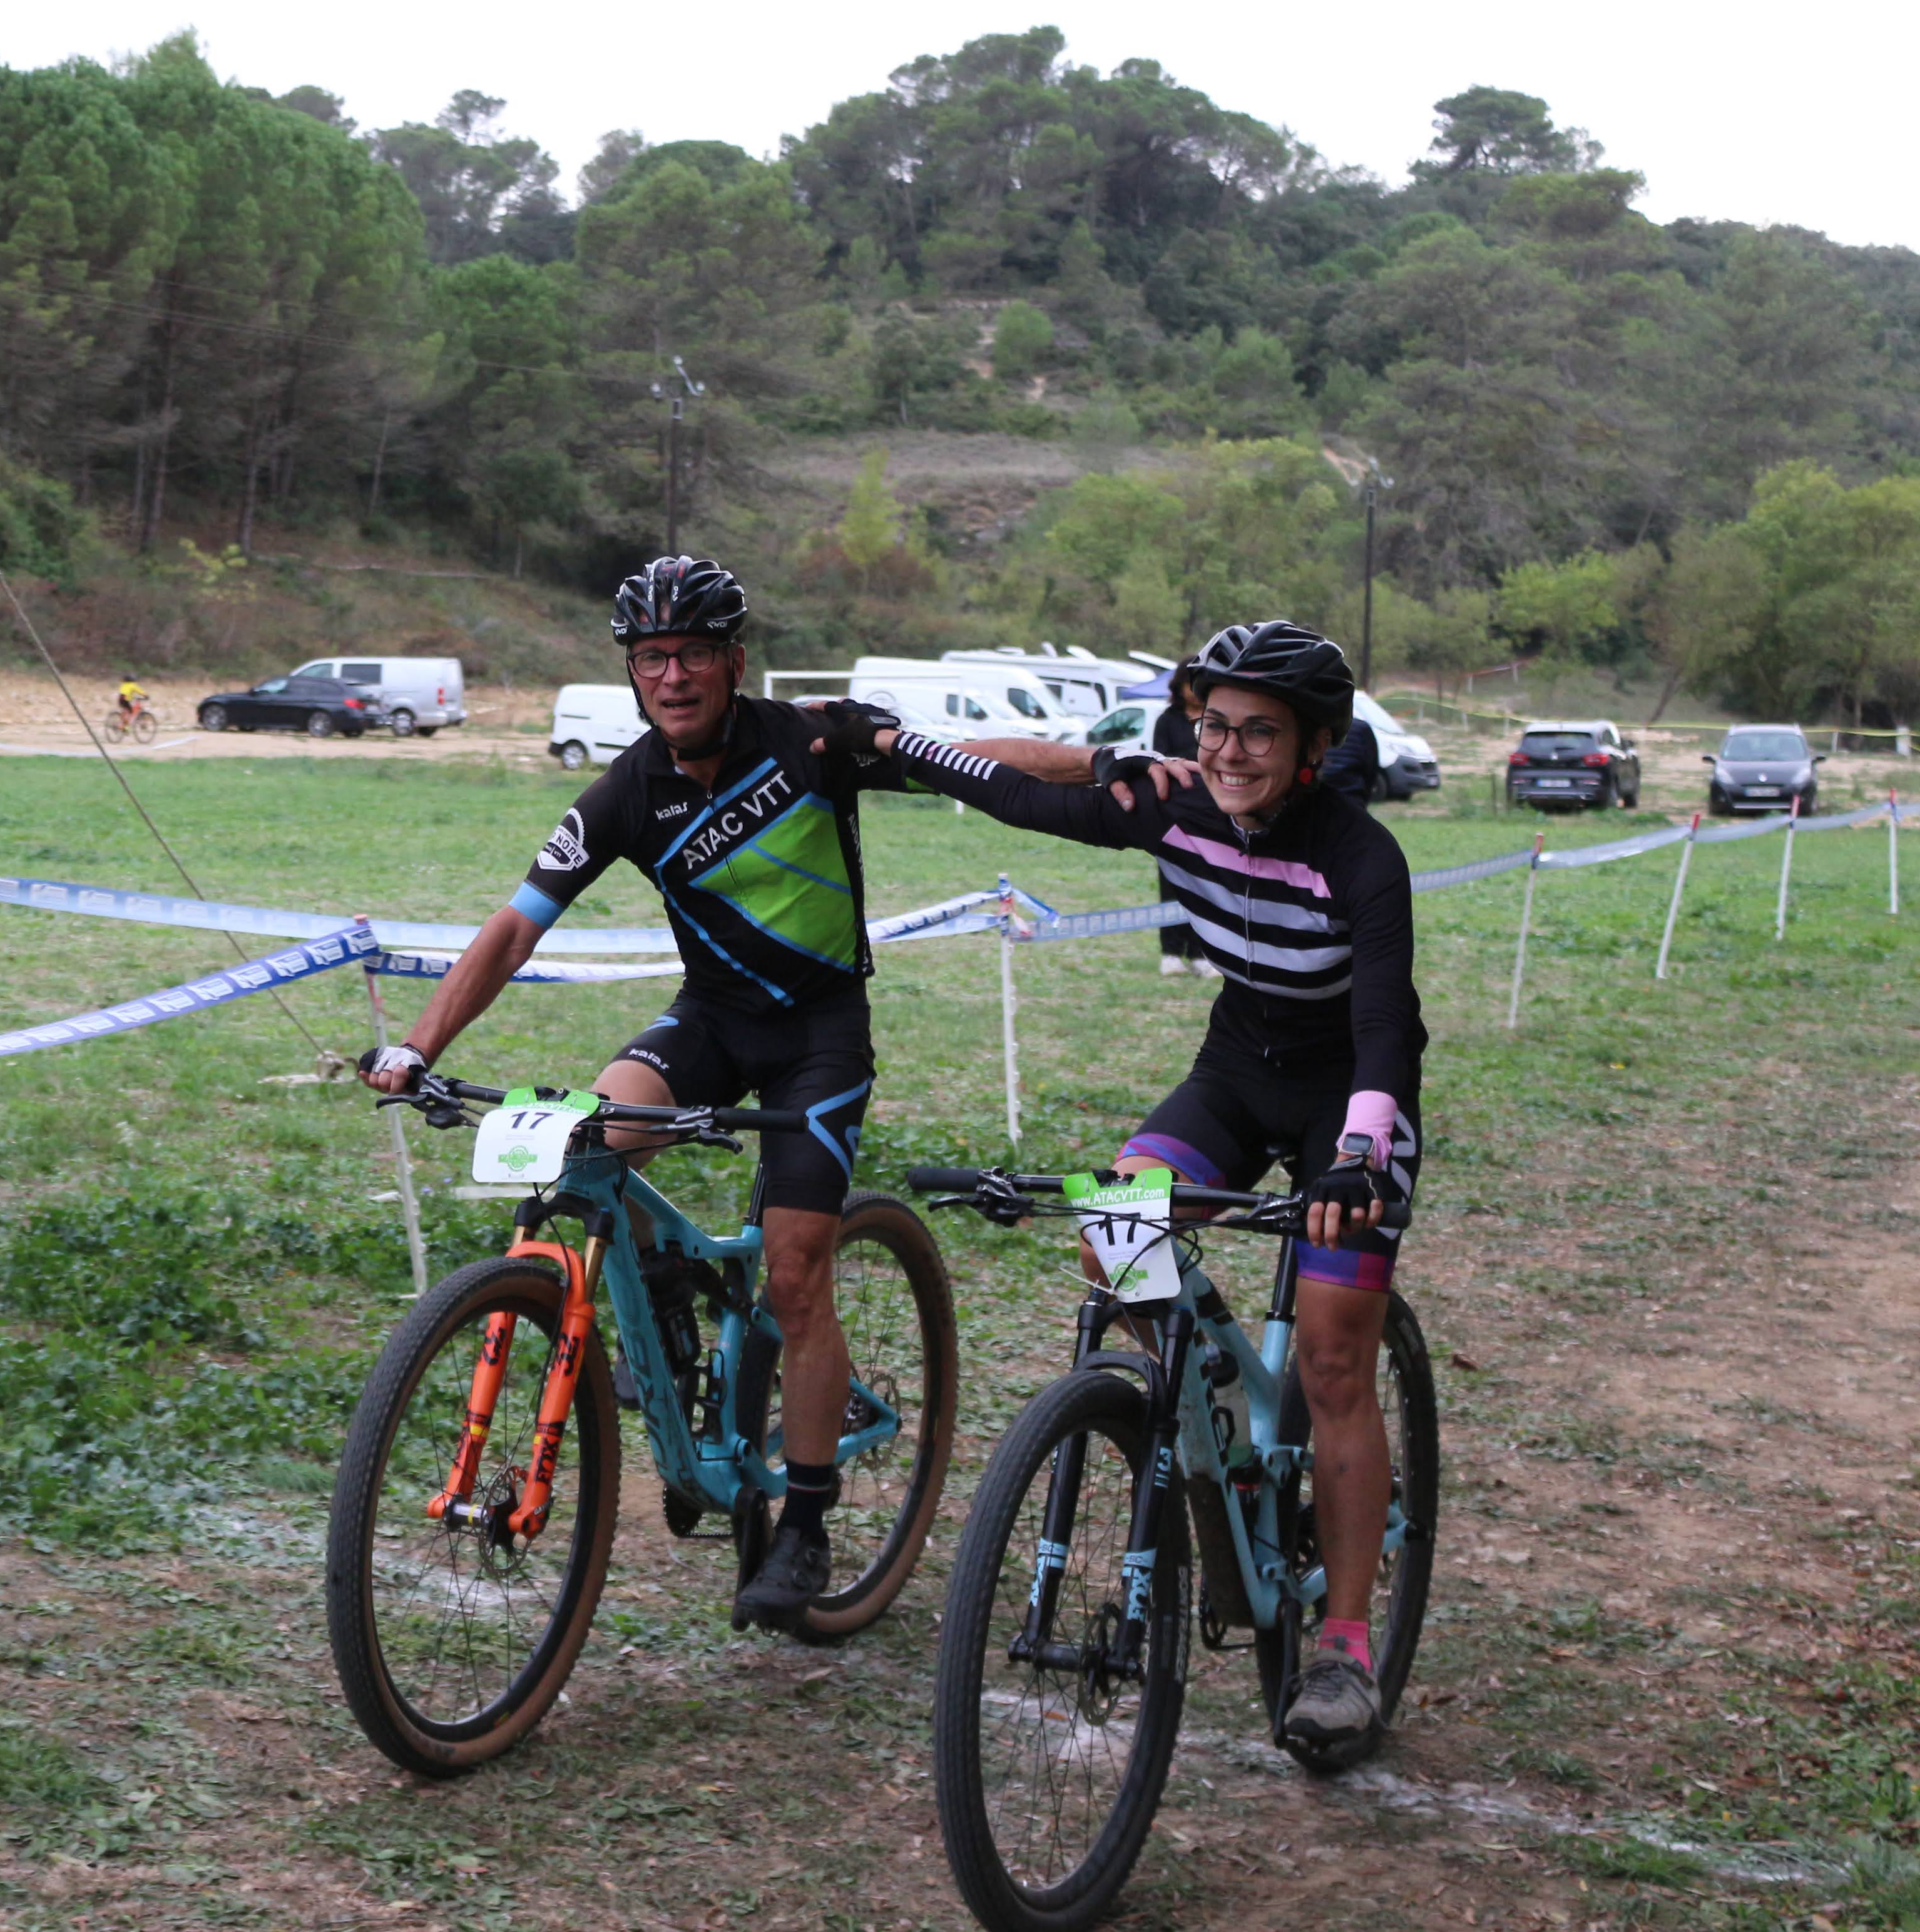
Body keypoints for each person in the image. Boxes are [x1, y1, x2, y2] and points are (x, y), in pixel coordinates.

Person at [358, 556, 1111, 1630]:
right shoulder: (627, 791)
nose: (672, 676)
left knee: (795, 1278)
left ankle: (803, 1522)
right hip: (709, 1021)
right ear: (632, 673)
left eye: (693, 654)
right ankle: (666, 1300)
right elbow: (515, 927)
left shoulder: (812, 741)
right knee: (587, 1142)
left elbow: (975, 761)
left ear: (734, 662)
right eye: (650, 657)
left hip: (818, 1036)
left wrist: (1106, 763)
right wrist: (417, 1045)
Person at [872, 619, 1424, 1763]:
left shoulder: (1361, 856)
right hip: (1236, 1069)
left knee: (1333, 1357)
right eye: (1213, 726)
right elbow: (1016, 797)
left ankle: (1342, 1645)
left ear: (1313, 747)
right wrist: (885, 743)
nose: (1228, 751)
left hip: (1346, 1095)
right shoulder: (1171, 802)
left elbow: (1383, 1026)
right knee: (1110, 1236)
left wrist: (1358, 1158)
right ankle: (1212, 1416)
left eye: (1258, 733)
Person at [1150, 673, 1212, 978]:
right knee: (1171, 882)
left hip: (1210, 811)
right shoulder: (1167, 721)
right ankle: (1171, 953)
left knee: (1206, 884)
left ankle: (1201, 954)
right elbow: (1159, 760)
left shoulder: (1216, 720)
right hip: (1174, 810)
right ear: (1179, 687)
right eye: (1191, 684)